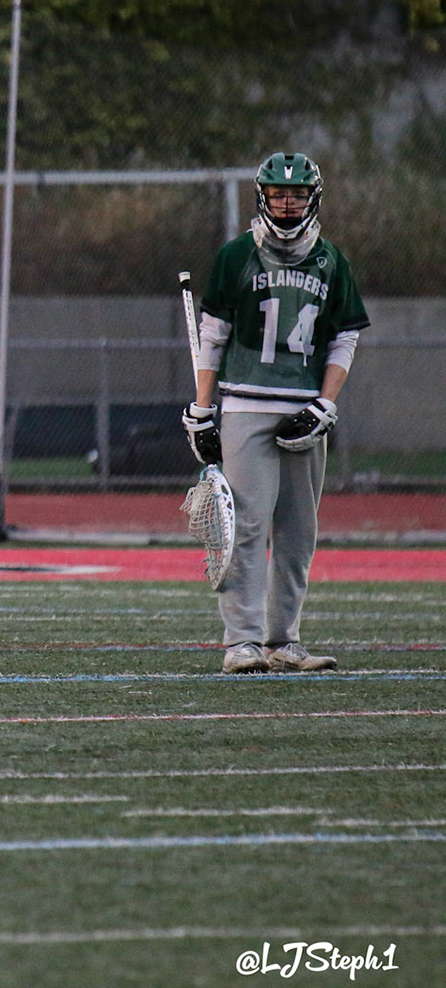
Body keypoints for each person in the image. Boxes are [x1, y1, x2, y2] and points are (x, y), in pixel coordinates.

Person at [183, 153, 367, 674]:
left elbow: (344, 337)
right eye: (279, 194)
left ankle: (284, 639)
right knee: (244, 524)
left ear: (314, 198)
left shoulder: (331, 260)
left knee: (298, 531)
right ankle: (241, 641)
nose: (288, 203)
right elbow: (213, 336)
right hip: (246, 403)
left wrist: (326, 402)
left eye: (297, 194)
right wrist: (202, 408)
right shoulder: (236, 255)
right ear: (263, 196)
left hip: (306, 409)